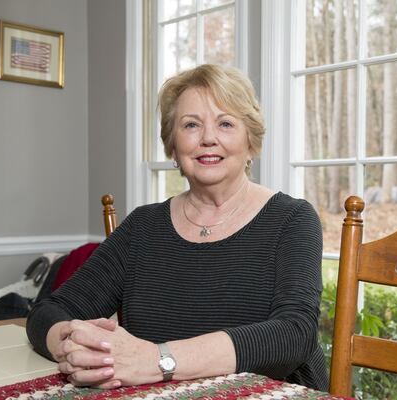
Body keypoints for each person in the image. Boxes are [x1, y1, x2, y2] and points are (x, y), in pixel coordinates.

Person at [26, 64, 327, 391]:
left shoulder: (293, 219)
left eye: (225, 123)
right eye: (191, 125)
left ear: (251, 141)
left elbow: (294, 333)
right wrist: (73, 347)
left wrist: (158, 360)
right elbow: (50, 312)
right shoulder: (143, 226)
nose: (208, 138)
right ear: (172, 145)